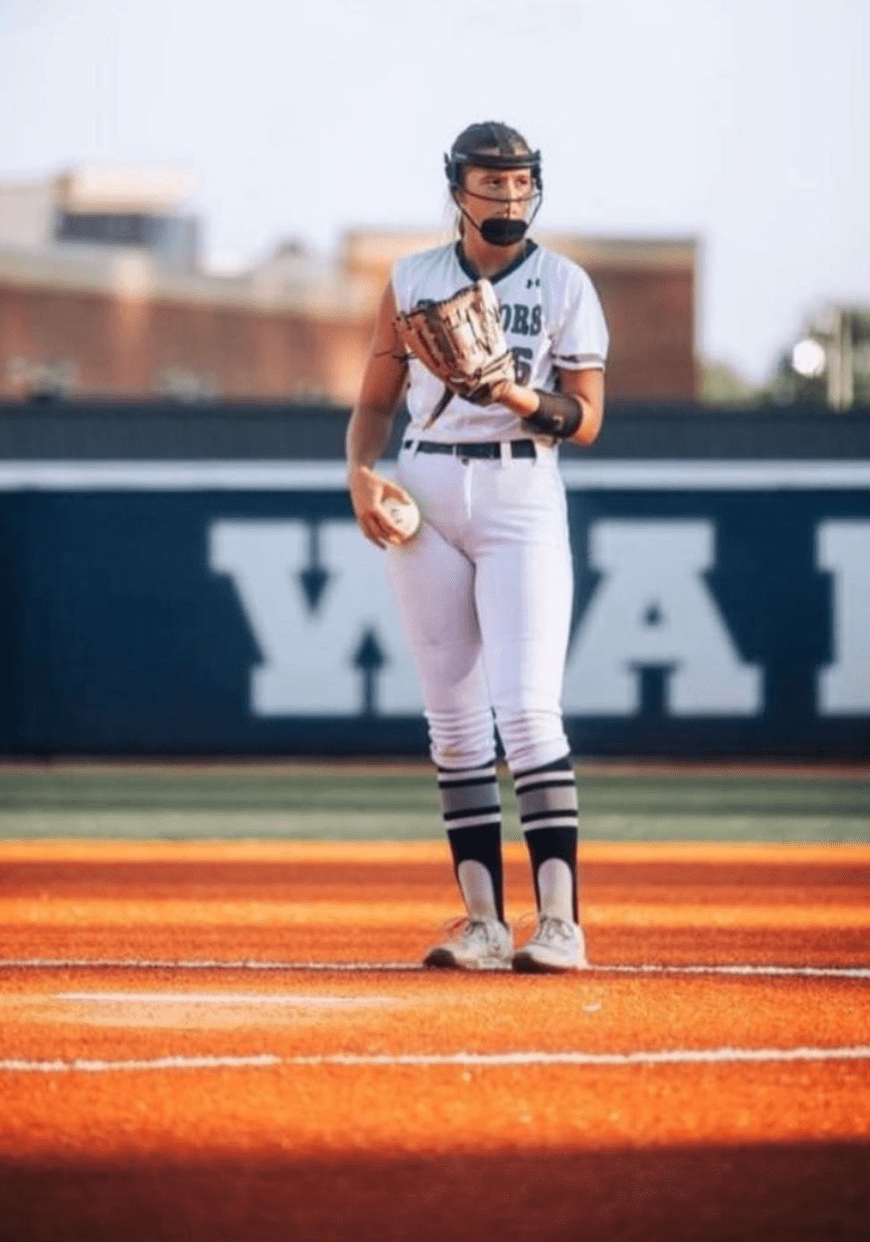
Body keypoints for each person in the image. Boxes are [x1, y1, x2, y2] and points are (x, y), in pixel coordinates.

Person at [346, 121, 609, 973]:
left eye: (520, 183)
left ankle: (560, 923)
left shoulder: (563, 281)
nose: (508, 198)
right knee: (454, 726)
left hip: (518, 488)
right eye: (491, 184)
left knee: (528, 711)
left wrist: (516, 395)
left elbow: (586, 418)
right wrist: (358, 473)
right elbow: (376, 403)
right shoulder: (412, 277)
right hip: (424, 486)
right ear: (456, 188)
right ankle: (483, 924)